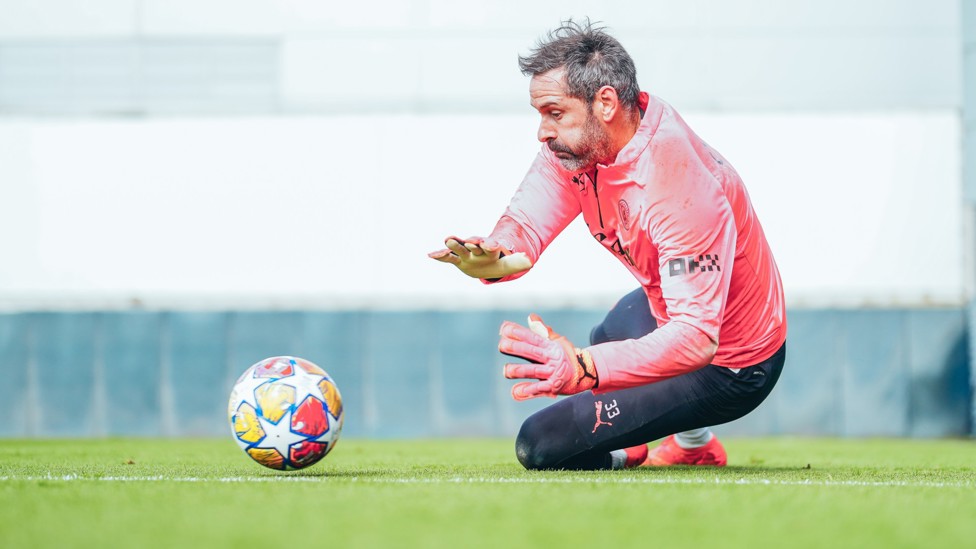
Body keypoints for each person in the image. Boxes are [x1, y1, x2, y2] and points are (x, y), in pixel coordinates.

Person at [428, 19, 787, 470]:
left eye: (554, 113)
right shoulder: (593, 141)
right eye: (540, 114)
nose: (542, 132)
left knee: (541, 444)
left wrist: (582, 368)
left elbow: (696, 338)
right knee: (612, 332)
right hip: (672, 308)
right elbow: (526, 222)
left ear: (605, 102)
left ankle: (627, 451)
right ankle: (695, 448)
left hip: (733, 363)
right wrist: (498, 256)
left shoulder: (677, 185)